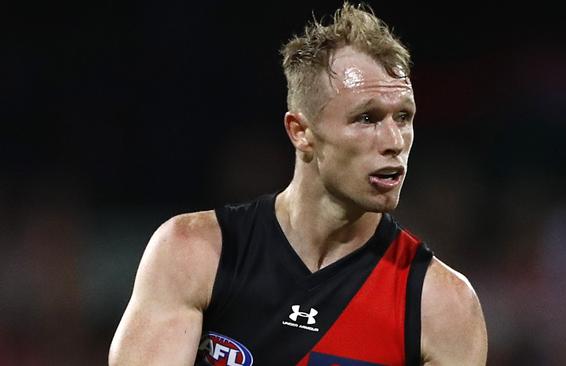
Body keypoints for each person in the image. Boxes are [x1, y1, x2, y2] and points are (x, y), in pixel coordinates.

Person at [109, 2, 487, 365]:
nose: (394, 141)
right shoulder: (195, 253)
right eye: (367, 118)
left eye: (403, 116)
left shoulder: (441, 306)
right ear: (301, 131)